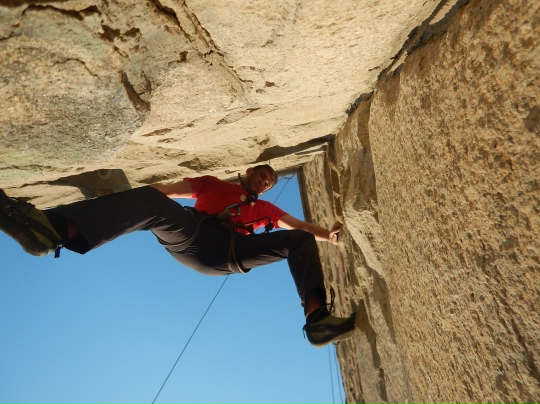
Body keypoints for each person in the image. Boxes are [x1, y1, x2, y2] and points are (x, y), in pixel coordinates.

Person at [0, 165, 356, 347]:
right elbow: (168, 190)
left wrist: (328, 236)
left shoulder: (264, 209)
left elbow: (296, 224)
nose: (264, 182)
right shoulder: (212, 183)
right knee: (151, 201)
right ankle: (53, 231)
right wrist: (124, 198)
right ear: (248, 172)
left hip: (228, 252)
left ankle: (317, 321)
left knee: (298, 240)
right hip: (192, 235)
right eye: (261, 175)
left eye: (269, 182)